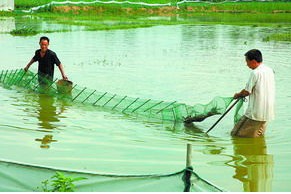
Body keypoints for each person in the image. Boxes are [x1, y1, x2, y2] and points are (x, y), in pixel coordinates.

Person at [231, 49, 275, 138]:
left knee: (236, 134)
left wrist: (238, 95)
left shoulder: (255, 73)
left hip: (255, 113)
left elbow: (247, 91)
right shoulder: (270, 70)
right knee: (258, 136)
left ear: (254, 61)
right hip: (268, 112)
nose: (246, 64)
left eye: (247, 61)